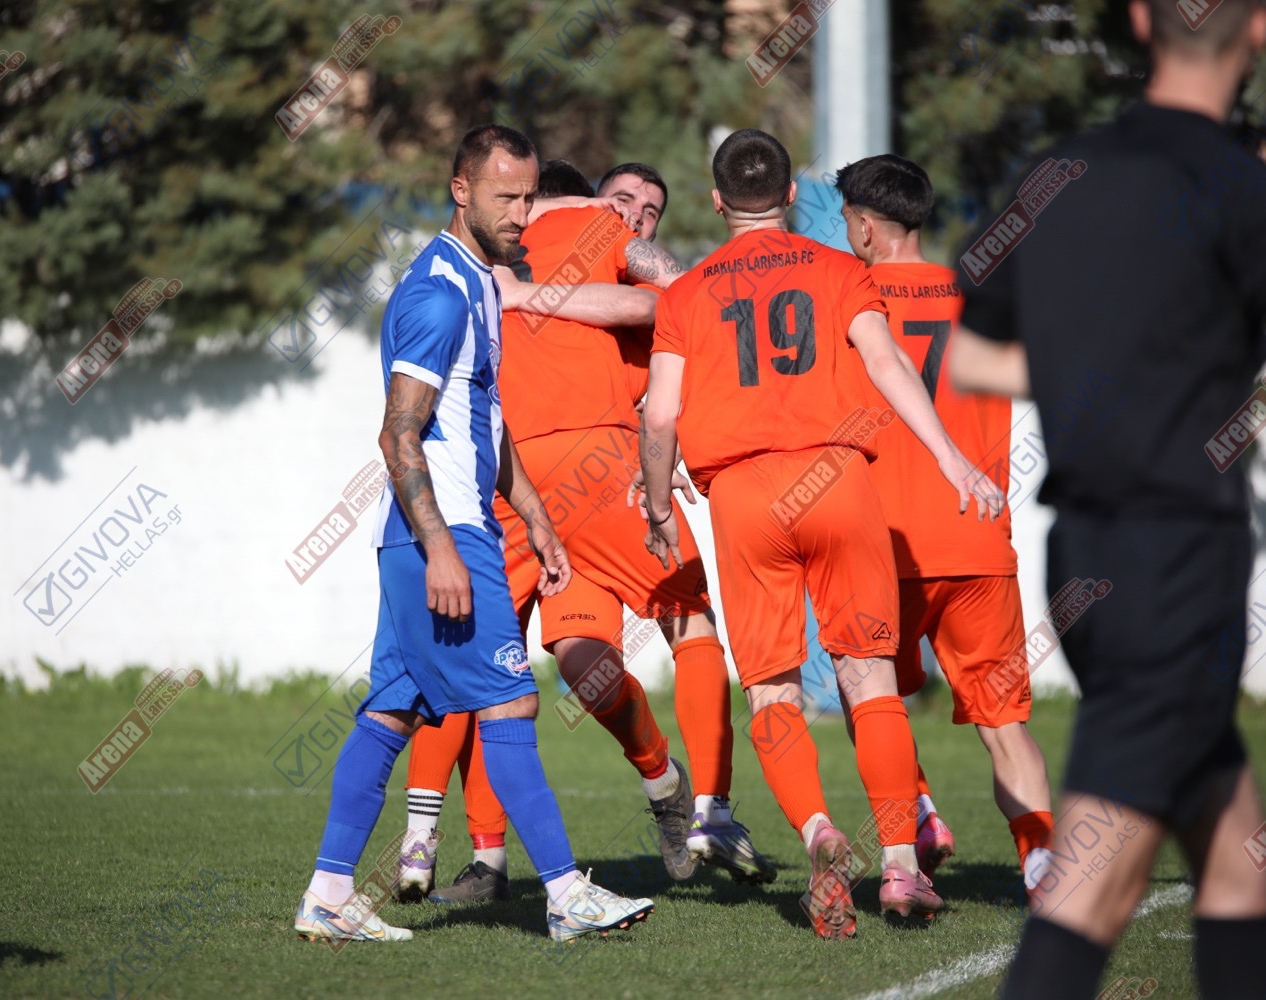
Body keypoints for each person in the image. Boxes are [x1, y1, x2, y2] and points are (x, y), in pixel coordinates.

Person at [947, 3, 1266, 996]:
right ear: (1260, 30)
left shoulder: (1056, 173)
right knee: (1094, 881)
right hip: (1173, 566)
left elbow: (969, 355)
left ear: (1138, 20)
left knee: (1235, 857)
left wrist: (1097, 377)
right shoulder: (1237, 181)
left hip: (1087, 559)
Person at [641, 128, 1005, 938]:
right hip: (837, 479)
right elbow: (889, 366)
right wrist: (953, 460)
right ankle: (902, 866)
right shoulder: (841, 270)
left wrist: (661, 506)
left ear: (716, 201)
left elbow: (660, 415)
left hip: (743, 496)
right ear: (789, 197)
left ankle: (816, 832)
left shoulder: (686, 293)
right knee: (867, 677)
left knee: (772, 689)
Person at [295, 124, 654, 945]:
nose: (522, 213)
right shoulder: (439, 295)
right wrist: (443, 549)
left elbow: (485, 422)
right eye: (505, 197)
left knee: (392, 710)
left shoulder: (484, 284)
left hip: (441, 529)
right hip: (442, 532)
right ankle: (565, 894)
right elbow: (398, 434)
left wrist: (537, 516)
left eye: (528, 197)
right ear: (460, 191)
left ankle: (329, 895)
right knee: (512, 700)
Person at [397, 158, 771, 905]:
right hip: (547, 477)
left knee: (563, 662)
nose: (634, 215)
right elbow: (685, 291)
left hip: (552, 475)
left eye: (650, 209)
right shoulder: (581, 235)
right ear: (588, 203)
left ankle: (675, 800)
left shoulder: (509, 259)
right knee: (597, 646)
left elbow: (669, 331)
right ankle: (694, 804)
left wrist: (667, 450)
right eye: (622, 201)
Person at [836, 154, 1055, 890]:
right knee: (1006, 728)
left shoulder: (847, 299)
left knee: (867, 697)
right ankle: (1042, 867)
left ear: (866, 227)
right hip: (976, 537)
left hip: (880, 542)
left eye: (846, 219)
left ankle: (922, 809)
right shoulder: (979, 298)